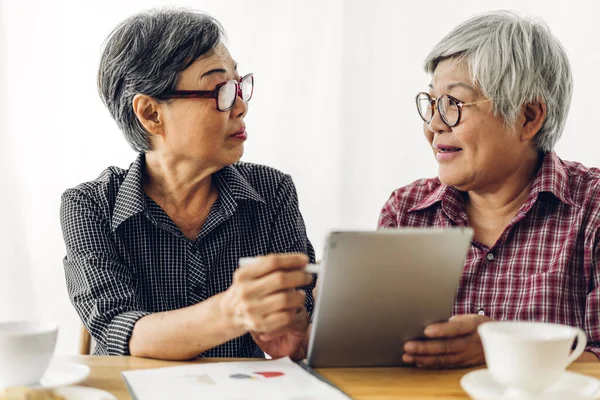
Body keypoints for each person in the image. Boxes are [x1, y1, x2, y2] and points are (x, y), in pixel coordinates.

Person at [60, 8, 315, 360]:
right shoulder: (89, 206)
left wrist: (298, 338)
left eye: (239, 86)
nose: (240, 106)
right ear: (150, 113)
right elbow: (118, 327)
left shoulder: (272, 191)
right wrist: (232, 311)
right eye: (220, 90)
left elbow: (303, 318)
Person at [379, 10, 600, 368]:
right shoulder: (405, 211)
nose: (434, 125)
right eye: (432, 103)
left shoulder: (593, 209)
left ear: (528, 117)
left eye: (454, 104)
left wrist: (506, 350)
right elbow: (376, 352)